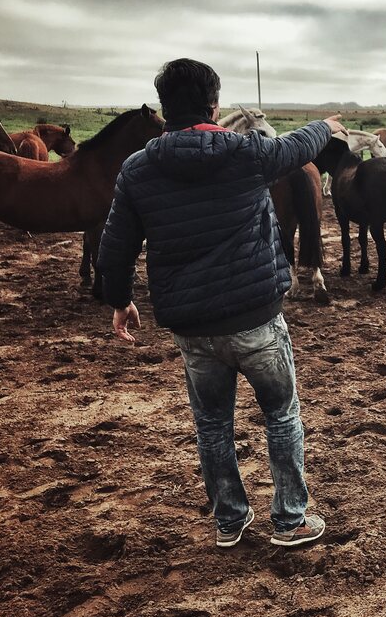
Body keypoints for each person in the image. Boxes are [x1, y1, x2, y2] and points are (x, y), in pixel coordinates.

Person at [97, 58, 346, 548]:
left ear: (166, 108)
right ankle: (291, 519)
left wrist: (120, 300)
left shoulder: (137, 169)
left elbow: (115, 247)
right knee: (281, 413)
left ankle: (230, 520)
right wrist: (326, 125)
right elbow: (298, 145)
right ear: (213, 103)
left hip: (192, 328)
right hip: (256, 318)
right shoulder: (246, 154)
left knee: (211, 423)